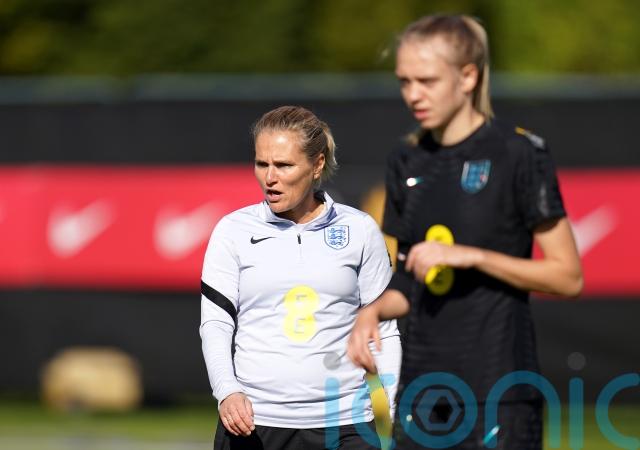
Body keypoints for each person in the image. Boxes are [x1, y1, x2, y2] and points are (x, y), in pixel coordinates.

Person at [347, 14, 583, 450]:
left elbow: (568, 277)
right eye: (404, 81)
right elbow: (408, 281)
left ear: (468, 76)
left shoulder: (519, 153)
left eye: (427, 80)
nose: (413, 94)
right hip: (423, 389)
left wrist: (473, 256)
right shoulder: (406, 160)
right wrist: (371, 312)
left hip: (499, 392)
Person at [200, 106, 402, 450]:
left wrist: (398, 409)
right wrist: (227, 391)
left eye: (283, 165)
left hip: (345, 422)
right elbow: (216, 324)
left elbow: (383, 330)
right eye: (261, 164)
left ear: (317, 165)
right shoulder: (232, 231)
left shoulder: (360, 229)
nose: (269, 177)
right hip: (255, 424)